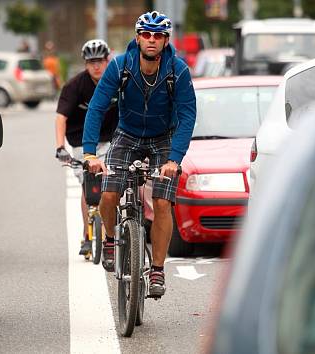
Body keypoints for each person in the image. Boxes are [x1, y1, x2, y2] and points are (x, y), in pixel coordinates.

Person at [82, 11, 196, 297]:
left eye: (158, 36)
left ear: (166, 40)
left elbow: (187, 115)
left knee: (161, 202)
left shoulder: (178, 71)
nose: (152, 40)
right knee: (108, 194)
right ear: (138, 37)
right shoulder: (120, 66)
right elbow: (96, 108)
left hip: (163, 138)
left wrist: (175, 160)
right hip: (127, 134)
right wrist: (89, 153)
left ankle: (157, 270)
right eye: (146, 34)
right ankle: (110, 239)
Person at [54, 39, 118, 256]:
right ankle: (88, 234)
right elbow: (61, 117)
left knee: (111, 183)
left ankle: (113, 230)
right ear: (85, 64)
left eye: (100, 61)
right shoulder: (74, 86)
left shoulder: (117, 82)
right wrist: (60, 147)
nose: (96, 66)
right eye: (91, 62)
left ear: (108, 60)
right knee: (88, 184)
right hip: (81, 142)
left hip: (111, 140)